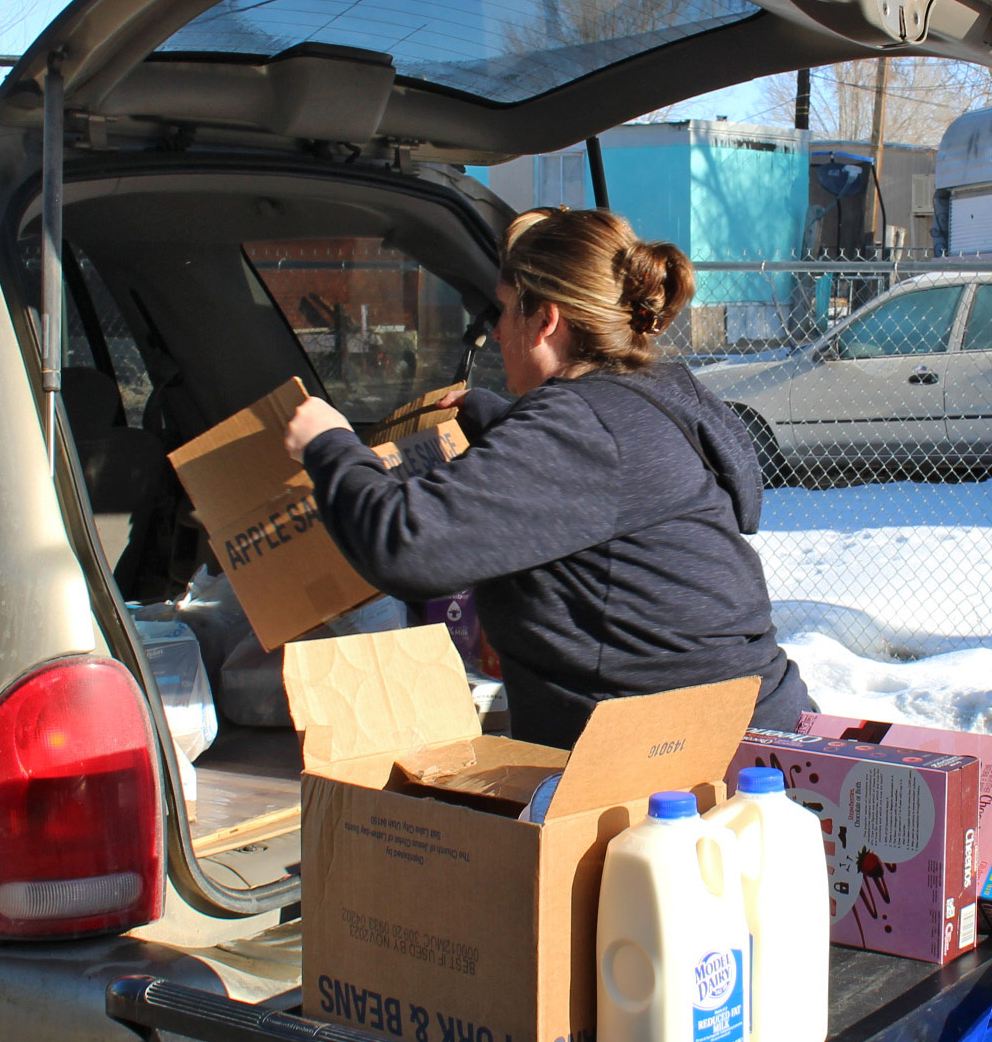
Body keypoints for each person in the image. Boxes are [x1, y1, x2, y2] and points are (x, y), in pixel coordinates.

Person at [280, 207, 812, 750]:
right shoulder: (652, 395)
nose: (497, 329)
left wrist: (328, 445)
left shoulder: (582, 425)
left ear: (546, 320)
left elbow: (404, 545)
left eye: (506, 309)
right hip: (750, 738)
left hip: (687, 770)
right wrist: (496, 418)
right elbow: (600, 475)